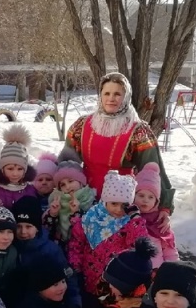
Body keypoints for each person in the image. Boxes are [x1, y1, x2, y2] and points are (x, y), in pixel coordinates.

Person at [60, 71, 174, 221]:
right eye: (106, 93)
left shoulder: (137, 130)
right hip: (84, 196)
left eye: (117, 94)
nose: (111, 99)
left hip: (120, 199)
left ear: (126, 96)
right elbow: (67, 162)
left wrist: (164, 205)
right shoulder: (81, 125)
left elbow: (153, 168)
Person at [67, 171, 151, 308]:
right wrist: (75, 264)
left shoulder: (129, 223)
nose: (119, 210)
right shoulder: (90, 219)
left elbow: (140, 244)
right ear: (104, 200)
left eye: (124, 205)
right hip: (90, 280)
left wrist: (136, 219)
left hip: (116, 284)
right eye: (114, 204)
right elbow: (76, 242)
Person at [11, 195, 80, 308]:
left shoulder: (50, 249)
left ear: (37, 227)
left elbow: (68, 276)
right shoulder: (10, 247)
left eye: (28, 226)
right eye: (18, 226)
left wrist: (75, 303)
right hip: (19, 305)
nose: (23, 232)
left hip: (48, 304)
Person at [0, 124, 38, 210]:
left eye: (20, 169)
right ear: (2, 169)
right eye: (10, 168)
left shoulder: (30, 191)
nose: (15, 173)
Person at [133, 162, 178, 269]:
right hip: (133, 272)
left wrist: (173, 269)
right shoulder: (127, 218)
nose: (145, 200)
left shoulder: (159, 221)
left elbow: (169, 251)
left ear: (156, 201)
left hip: (155, 271)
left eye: (151, 197)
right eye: (141, 195)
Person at [42, 158, 95, 245]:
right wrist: (52, 214)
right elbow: (46, 230)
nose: (68, 187)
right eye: (63, 185)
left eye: (70, 181)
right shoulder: (57, 200)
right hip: (60, 245)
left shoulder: (90, 199)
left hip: (82, 248)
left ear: (81, 181)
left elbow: (92, 230)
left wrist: (76, 213)